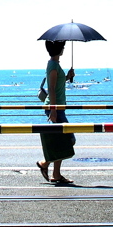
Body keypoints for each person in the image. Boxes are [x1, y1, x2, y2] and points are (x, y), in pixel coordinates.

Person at [36, 39, 75, 184]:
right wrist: (53, 110)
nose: (64, 49)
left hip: (58, 107)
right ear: (59, 49)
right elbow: (51, 88)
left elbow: (56, 83)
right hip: (55, 108)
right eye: (62, 46)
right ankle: (46, 164)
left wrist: (67, 77)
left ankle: (55, 172)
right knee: (69, 139)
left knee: (62, 140)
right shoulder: (53, 65)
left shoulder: (54, 64)